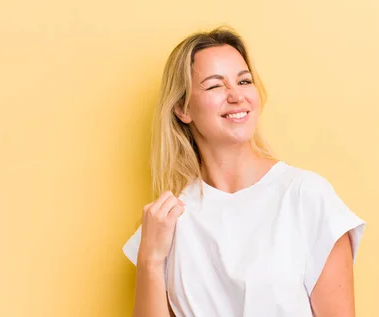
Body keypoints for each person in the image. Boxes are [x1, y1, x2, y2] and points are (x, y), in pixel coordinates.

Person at [123, 26, 366, 317]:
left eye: (244, 81)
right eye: (215, 85)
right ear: (182, 109)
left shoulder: (306, 197)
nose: (236, 95)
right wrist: (150, 258)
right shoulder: (168, 221)